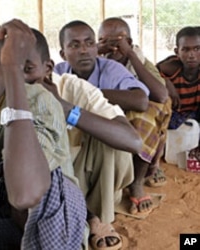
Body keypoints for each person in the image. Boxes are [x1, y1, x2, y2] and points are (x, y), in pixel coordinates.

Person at [0, 10, 87, 250]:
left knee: (43, 177)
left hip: (45, 223)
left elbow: (26, 194)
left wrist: (13, 70)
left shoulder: (39, 100)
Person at [24, 27, 143, 250]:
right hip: (30, 186)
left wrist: (66, 109)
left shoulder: (74, 88)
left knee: (108, 137)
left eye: (26, 69)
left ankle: (96, 216)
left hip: (77, 177)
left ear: (47, 68)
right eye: (8, 72)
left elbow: (133, 141)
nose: (17, 80)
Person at [54, 20, 165, 215]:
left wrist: (85, 93)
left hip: (105, 140)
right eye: (74, 45)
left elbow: (142, 100)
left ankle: (107, 209)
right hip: (72, 144)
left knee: (119, 133)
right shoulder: (59, 73)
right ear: (63, 54)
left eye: (89, 43)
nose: (83, 50)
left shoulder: (111, 68)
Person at [97, 17, 171, 191]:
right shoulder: (95, 61)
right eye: (103, 42)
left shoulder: (140, 61)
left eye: (115, 43)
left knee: (146, 116)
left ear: (128, 43)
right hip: (107, 112)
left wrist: (129, 54)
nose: (110, 48)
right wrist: (94, 51)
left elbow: (161, 96)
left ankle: (137, 182)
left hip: (134, 111)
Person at [157, 26, 200, 160]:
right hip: (174, 115)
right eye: (185, 49)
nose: (191, 54)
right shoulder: (170, 67)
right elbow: (149, 72)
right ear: (177, 52)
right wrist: (166, 82)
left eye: (197, 49)